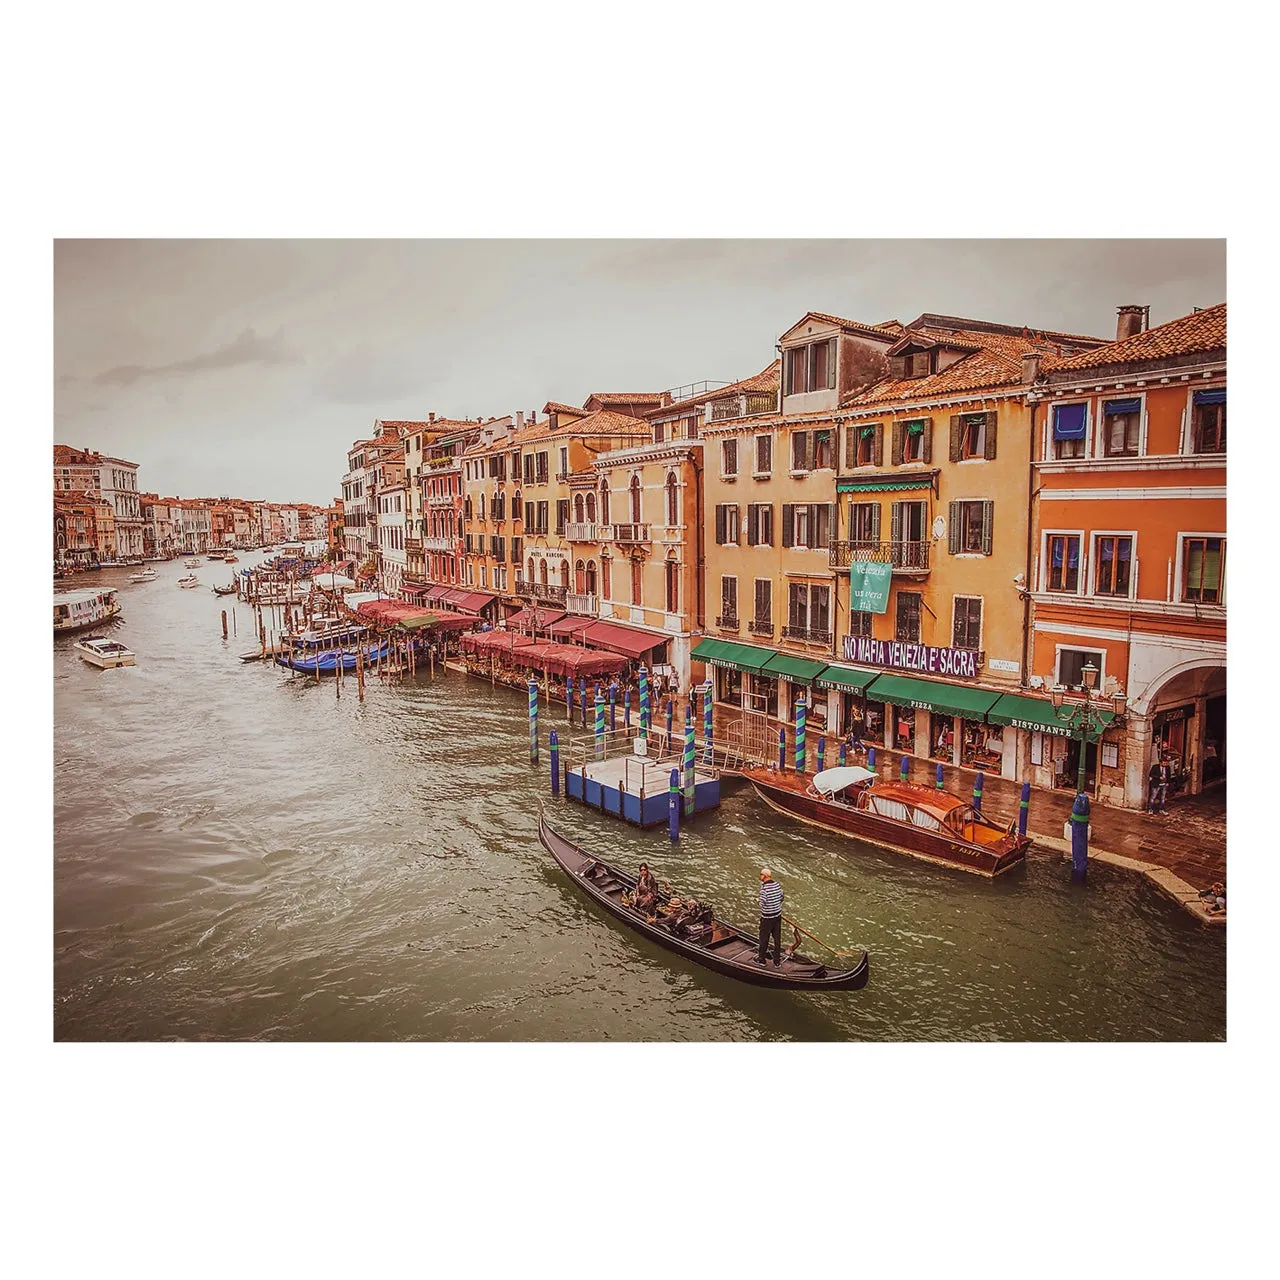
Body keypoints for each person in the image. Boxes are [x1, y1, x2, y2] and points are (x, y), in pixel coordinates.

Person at [756, 868, 784, 967]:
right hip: (777, 916)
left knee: (764, 939)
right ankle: (777, 962)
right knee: (777, 939)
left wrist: (758, 900)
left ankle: (761, 960)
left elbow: (762, 903)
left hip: (767, 918)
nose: (760, 876)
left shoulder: (764, 889)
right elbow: (781, 897)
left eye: (761, 874)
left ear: (765, 876)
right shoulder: (777, 885)